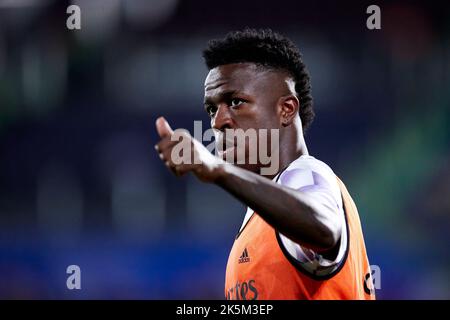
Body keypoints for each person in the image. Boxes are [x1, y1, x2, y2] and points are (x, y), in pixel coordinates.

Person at [154, 28, 375, 300]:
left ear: (286, 109)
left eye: (235, 102)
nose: (217, 121)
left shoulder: (307, 175)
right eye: (212, 109)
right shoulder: (261, 215)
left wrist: (216, 168)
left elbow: (324, 228)